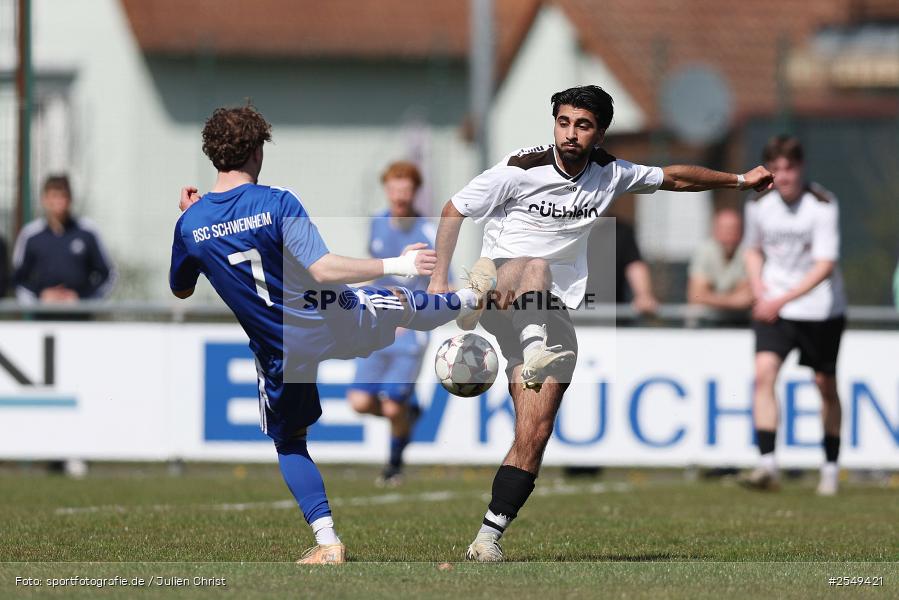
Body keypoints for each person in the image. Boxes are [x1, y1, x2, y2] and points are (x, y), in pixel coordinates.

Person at [428, 85, 774, 562]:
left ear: (599, 132)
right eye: (564, 122)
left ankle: (488, 537)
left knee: (535, 432)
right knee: (536, 264)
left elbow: (675, 178)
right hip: (507, 290)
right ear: (554, 124)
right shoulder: (520, 169)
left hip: (552, 314)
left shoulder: (611, 173)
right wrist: (438, 280)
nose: (571, 133)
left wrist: (738, 180)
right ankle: (484, 298)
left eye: (583, 125)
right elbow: (454, 209)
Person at [173, 105, 495, 565]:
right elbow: (323, 270)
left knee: (289, 442)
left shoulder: (190, 225)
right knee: (395, 303)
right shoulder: (277, 201)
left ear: (211, 154)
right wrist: (397, 265)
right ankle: (468, 299)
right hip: (329, 319)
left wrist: (191, 216)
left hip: (277, 349)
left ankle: (327, 542)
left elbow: (181, 289)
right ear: (258, 150)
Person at [739, 134, 847, 496]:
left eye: (789, 169)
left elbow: (825, 266)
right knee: (763, 374)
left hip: (819, 310)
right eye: (777, 169)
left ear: (800, 168)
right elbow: (752, 251)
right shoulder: (759, 205)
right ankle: (767, 463)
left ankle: (830, 467)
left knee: (824, 386)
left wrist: (780, 299)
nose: (783, 177)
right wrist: (759, 288)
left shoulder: (822, 204)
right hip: (774, 308)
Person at [347, 161, 437, 486]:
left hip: (410, 334)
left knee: (391, 409)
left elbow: (442, 282)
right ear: (387, 190)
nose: (399, 195)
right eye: (394, 188)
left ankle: (394, 464)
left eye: (406, 189)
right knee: (359, 402)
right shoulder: (377, 224)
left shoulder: (427, 232)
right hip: (375, 328)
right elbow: (375, 270)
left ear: (414, 192)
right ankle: (408, 416)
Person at [12, 175, 115, 305]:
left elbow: (108, 275)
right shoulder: (30, 234)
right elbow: (18, 279)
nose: (59, 201)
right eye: (54, 196)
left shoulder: (88, 231)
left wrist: (81, 298)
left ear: (70, 199)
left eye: (63, 196)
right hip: (41, 319)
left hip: (81, 319)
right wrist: (41, 296)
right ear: (44, 199)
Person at [686, 207, 753, 325]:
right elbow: (696, 296)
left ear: (741, 231)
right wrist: (734, 299)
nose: (729, 233)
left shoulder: (749, 253)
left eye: (733, 229)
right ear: (715, 230)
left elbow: (748, 298)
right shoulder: (704, 251)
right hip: (705, 324)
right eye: (725, 229)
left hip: (739, 324)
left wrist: (710, 297)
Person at [586, 218, 658, 317]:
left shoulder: (621, 231)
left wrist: (643, 295)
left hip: (611, 317)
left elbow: (634, 265)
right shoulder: (560, 230)